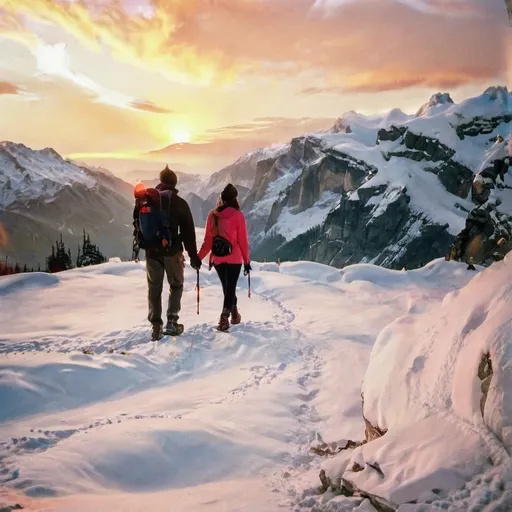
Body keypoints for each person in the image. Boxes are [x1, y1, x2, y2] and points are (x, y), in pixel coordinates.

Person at [135, 165, 202, 340]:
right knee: (176, 285)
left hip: (151, 253)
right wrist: (194, 257)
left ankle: (156, 327)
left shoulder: (147, 201)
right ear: (175, 183)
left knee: (154, 288)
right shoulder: (180, 203)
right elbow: (188, 233)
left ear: (161, 181)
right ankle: (172, 321)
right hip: (172, 253)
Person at [198, 183, 251, 331]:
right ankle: (224, 317)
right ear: (235, 199)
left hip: (218, 259)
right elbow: (242, 241)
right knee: (230, 288)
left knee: (228, 288)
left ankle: (234, 313)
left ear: (221, 198)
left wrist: (198, 257)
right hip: (234, 258)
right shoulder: (238, 215)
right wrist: (246, 261)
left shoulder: (212, 215)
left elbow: (208, 242)